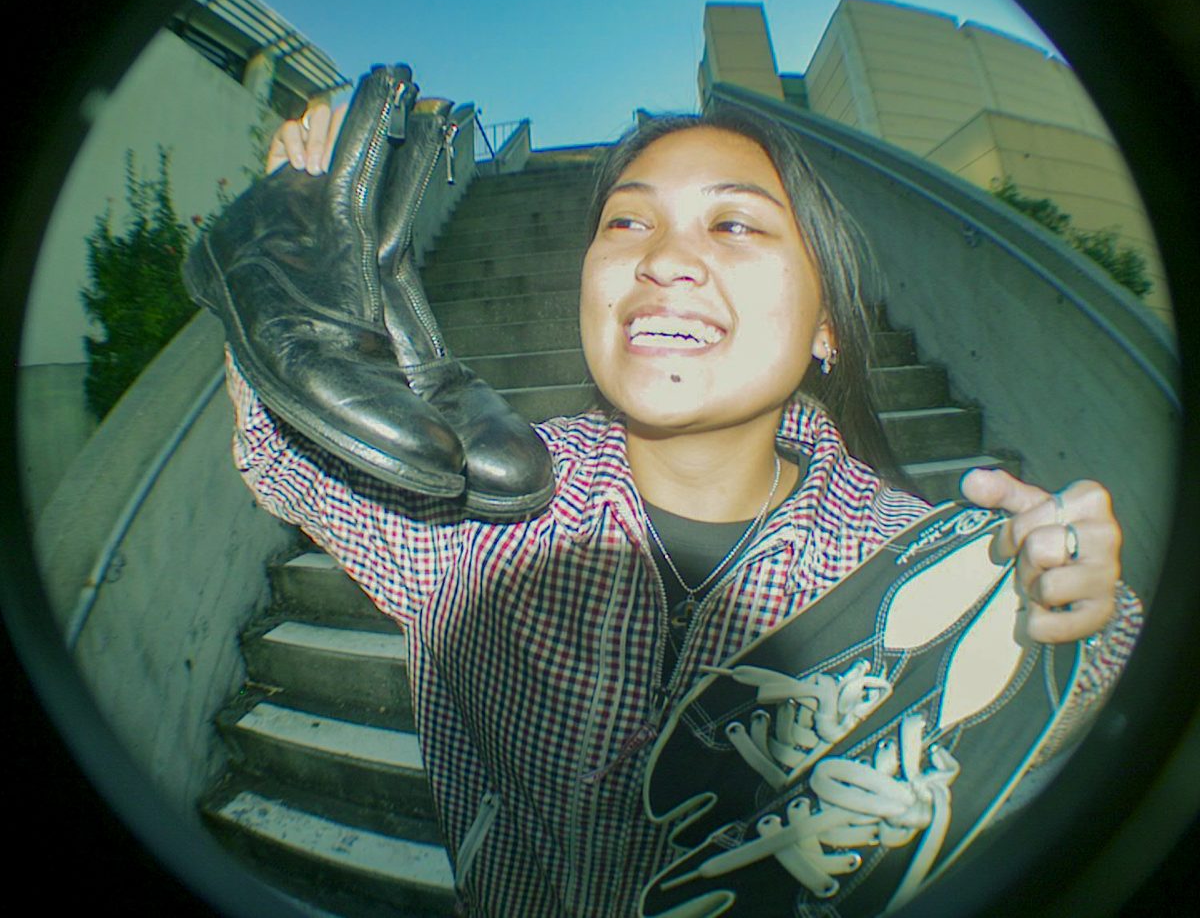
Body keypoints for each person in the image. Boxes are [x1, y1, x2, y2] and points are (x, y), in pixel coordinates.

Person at [217, 84, 1138, 917]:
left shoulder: (922, 573)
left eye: (735, 225)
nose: (664, 261)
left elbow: (1076, 713)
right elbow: (287, 455)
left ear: (827, 324)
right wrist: (281, 253)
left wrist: (1082, 610)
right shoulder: (477, 516)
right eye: (626, 223)